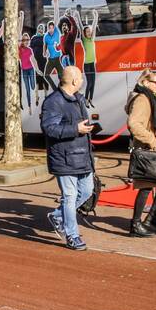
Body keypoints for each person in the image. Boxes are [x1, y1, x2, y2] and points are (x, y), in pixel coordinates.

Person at [41, 66, 95, 251]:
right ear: (74, 81)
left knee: (87, 191)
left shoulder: (78, 99)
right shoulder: (53, 102)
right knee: (70, 197)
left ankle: (58, 216)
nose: (82, 80)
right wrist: (75, 129)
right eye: (80, 77)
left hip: (82, 156)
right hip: (64, 158)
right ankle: (72, 235)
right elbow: (49, 129)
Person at [125, 70, 156, 236]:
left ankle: (152, 217)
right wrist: (151, 140)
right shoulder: (141, 99)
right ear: (145, 83)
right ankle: (136, 224)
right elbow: (133, 123)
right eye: (155, 82)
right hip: (148, 149)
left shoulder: (150, 97)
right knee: (147, 186)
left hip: (155, 150)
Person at [80, 11, 100, 107]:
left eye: (90, 31)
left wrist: (95, 16)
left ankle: (90, 100)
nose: (89, 33)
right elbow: (81, 27)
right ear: (84, 33)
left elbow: (94, 26)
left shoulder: (92, 39)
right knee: (89, 83)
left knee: (94, 83)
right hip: (86, 65)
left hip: (92, 64)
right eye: (87, 31)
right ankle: (85, 100)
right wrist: (77, 18)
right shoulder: (84, 40)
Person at [42, 21, 63, 90]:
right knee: (46, 75)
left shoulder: (57, 33)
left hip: (57, 59)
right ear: (47, 28)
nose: (51, 29)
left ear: (54, 28)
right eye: (49, 28)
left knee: (61, 76)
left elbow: (56, 18)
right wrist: (44, 52)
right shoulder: (46, 36)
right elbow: (45, 44)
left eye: (52, 28)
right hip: (50, 60)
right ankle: (55, 89)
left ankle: (63, 88)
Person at [19, 33, 37, 112]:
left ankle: (36, 92)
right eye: (24, 40)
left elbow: (33, 60)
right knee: (27, 89)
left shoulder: (30, 50)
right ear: (22, 41)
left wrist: (37, 69)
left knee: (33, 86)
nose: (26, 41)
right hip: (24, 71)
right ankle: (29, 107)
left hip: (31, 69)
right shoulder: (20, 49)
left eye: (27, 40)